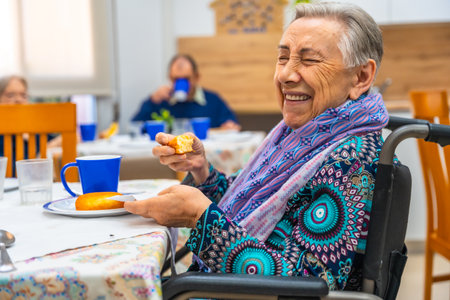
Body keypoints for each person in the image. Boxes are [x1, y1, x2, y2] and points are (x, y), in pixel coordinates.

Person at [125, 2, 389, 291]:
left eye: (309, 60)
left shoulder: (350, 160)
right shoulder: (302, 135)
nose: (286, 75)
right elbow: (251, 206)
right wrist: (202, 171)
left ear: (361, 77)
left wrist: (200, 218)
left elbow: (310, 283)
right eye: (283, 58)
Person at [131, 54, 240, 130]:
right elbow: (135, 127)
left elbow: (231, 124)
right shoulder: (161, 101)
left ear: (197, 77)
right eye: (176, 79)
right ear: (170, 78)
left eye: (186, 79)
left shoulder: (212, 100)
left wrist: (230, 126)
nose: (181, 83)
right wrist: (152, 101)